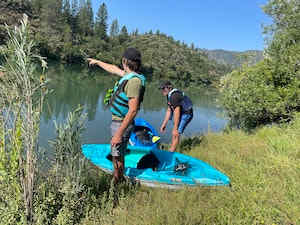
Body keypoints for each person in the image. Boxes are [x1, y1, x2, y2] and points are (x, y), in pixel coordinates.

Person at [87, 48, 146, 184]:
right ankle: (119, 177)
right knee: (117, 154)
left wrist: (119, 134)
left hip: (121, 124)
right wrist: (97, 62)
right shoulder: (130, 76)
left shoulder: (134, 82)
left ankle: (117, 181)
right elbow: (113, 69)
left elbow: (133, 110)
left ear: (124, 61)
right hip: (119, 122)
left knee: (117, 156)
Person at [159, 81, 193, 152]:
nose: (162, 91)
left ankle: (171, 152)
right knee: (174, 132)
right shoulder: (169, 95)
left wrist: (175, 128)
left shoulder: (174, 96)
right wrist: (164, 124)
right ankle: (172, 148)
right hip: (180, 113)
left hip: (186, 114)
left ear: (169, 88)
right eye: (161, 89)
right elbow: (169, 110)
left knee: (176, 133)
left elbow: (176, 112)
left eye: (163, 88)